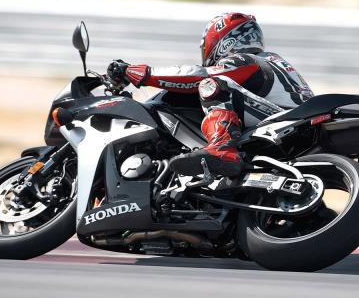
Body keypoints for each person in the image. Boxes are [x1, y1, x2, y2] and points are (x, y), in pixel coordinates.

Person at [107, 12, 313, 179]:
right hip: (295, 123)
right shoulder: (273, 61)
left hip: (284, 122)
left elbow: (200, 75)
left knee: (212, 85)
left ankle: (222, 149)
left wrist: (144, 74)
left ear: (223, 42)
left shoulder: (246, 59)